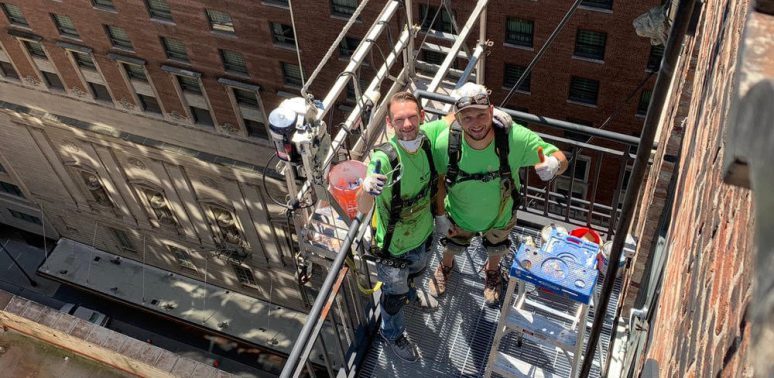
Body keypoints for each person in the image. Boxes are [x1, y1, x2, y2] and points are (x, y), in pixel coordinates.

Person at [425, 82, 568, 306]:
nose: (476, 124)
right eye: (468, 117)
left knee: (497, 246)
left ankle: (492, 273)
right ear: (457, 118)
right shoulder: (446, 144)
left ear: (491, 111)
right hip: (460, 214)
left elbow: (559, 157)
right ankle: (445, 266)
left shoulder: (514, 139)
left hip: (501, 214)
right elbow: (440, 180)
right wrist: (440, 215)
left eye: (481, 115)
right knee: (452, 244)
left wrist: (553, 165)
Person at [356, 91, 439, 362]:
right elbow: (363, 207)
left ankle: (412, 292)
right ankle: (391, 334)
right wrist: (367, 189)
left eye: (412, 117)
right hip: (395, 249)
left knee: (415, 275)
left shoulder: (426, 144)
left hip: (423, 235)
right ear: (390, 123)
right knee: (393, 297)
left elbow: (452, 121)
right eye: (399, 119)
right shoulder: (384, 160)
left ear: (422, 117)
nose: (407, 125)